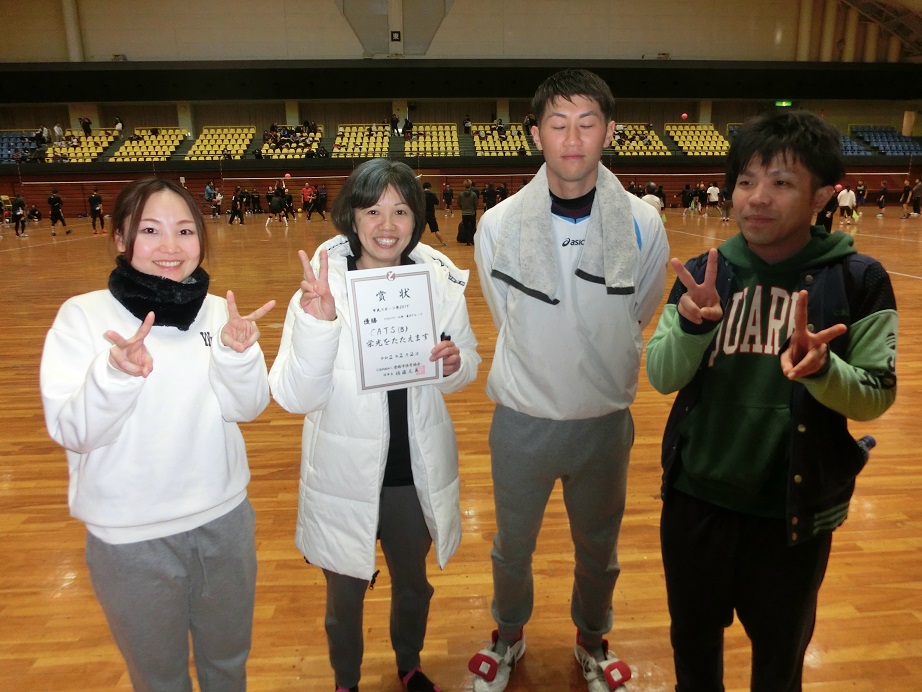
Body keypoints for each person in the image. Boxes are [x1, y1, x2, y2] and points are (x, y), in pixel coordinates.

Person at [645, 109, 897, 691]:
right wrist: (692, 326)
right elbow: (661, 375)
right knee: (693, 658)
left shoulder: (858, 279)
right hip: (695, 504)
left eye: (781, 182)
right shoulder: (707, 273)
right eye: (746, 181)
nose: (757, 198)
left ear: (822, 195)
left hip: (792, 515)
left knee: (780, 667)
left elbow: (875, 395)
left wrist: (824, 370)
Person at [469, 68, 668, 692]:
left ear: (609, 131)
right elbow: (508, 315)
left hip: (603, 424)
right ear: (537, 135)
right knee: (511, 547)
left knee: (599, 549)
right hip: (522, 421)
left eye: (587, 123)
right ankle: (508, 635)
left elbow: (637, 312)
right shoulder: (498, 224)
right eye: (558, 124)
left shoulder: (643, 223)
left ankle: (592, 640)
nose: (573, 138)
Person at [40, 177, 276, 691]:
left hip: (224, 522)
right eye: (150, 230)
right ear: (120, 238)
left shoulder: (219, 311)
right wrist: (115, 374)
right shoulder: (84, 316)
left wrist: (237, 356)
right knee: (158, 678)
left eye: (185, 230)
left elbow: (248, 406)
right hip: (130, 540)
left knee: (228, 663)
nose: (171, 246)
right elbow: (72, 431)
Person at [269, 159, 480, 692]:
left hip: (413, 472)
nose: (387, 225)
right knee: (344, 598)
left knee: (413, 586)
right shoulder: (320, 288)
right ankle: (346, 680)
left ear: (416, 219)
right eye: (373, 211)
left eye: (401, 211)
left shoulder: (437, 282)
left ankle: (409, 664)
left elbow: (466, 364)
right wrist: (318, 325)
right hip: (344, 474)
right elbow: (293, 395)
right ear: (352, 217)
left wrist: (455, 364)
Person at [422, 181, 447, 246]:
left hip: (423, 214)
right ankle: (442, 243)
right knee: (436, 229)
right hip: (431, 214)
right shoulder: (432, 194)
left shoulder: (420, 194)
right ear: (429, 187)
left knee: (419, 231)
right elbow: (437, 202)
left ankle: (413, 244)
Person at [456, 179, 477, 245]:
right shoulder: (473, 194)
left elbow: (458, 203)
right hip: (472, 213)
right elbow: (475, 203)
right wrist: (473, 209)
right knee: (472, 227)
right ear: (470, 185)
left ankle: (468, 241)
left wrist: (462, 208)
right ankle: (472, 240)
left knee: (466, 227)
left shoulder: (461, 194)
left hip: (464, 213)